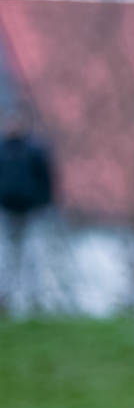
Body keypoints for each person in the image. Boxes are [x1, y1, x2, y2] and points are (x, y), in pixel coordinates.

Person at [0, 111, 54, 313]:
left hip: (32, 212)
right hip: (7, 211)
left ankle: (35, 300)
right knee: (7, 257)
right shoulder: (2, 150)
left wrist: (43, 204)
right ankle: (5, 300)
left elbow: (46, 180)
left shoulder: (35, 150)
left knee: (34, 256)